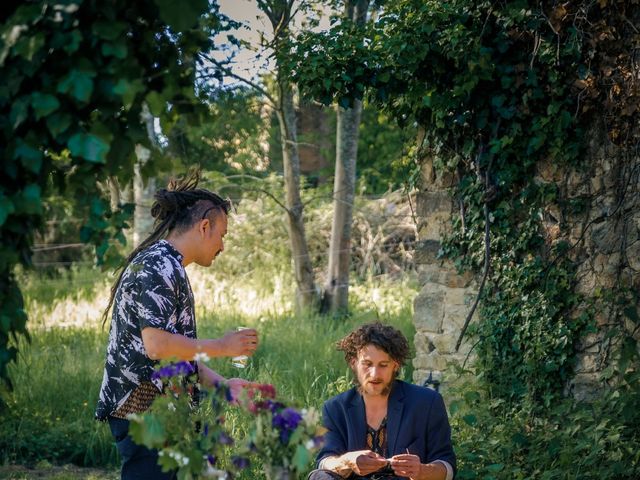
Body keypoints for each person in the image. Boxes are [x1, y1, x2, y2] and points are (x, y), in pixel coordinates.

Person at [95, 172, 259, 480]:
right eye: (222, 234)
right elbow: (156, 345)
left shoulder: (169, 265)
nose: (222, 245)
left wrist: (221, 385)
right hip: (143, 412)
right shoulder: (158, 265)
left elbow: (174, 354)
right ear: (204, 226)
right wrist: (223, 347)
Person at [309, 323, 455, 480]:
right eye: (367, 364)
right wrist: (347, 462)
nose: (374, 374)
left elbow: (447, 467)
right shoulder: (336, 408)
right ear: (354, 364)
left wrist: (421, 470)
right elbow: (324, 462)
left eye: (383, 365)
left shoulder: (427, 402)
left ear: (395, 365)